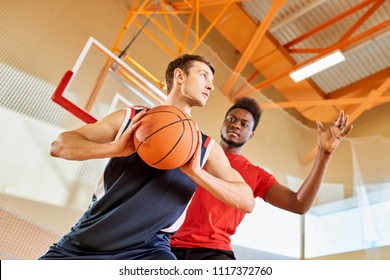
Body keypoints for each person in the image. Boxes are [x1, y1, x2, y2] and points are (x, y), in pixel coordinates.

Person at [39, 54, 255, 260]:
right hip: (88, 240)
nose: (211, 86)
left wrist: (197, 174)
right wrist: (113, 149)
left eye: (212, 80)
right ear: (180, 76)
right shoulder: (131, 118)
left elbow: (246, 201)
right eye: (203, 75)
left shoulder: (205, 147)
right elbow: (59, 145)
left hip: (147, 250)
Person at [170, 97, 353, 260]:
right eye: (231, 119)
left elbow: (298, 204)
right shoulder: (195, 151)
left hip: (213, 253)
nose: (236, 125)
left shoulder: (255, 174)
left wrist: (324, 153)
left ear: (251, 135)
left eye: (244, 124)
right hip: (167, 246)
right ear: (223, 123)